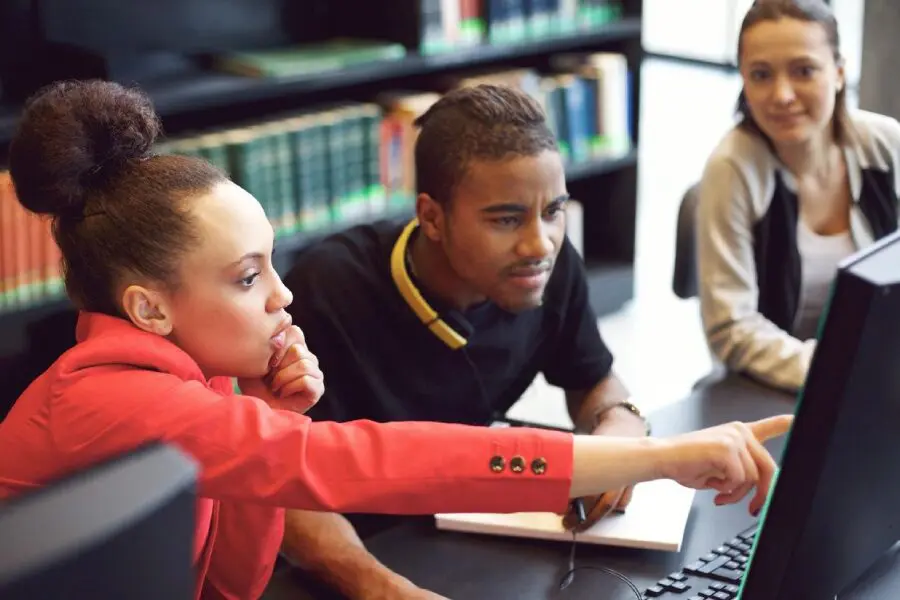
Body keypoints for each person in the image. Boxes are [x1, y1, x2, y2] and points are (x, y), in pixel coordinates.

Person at [0, 79, 790, 600]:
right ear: (148, 309)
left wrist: (272, 417)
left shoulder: (195, 385)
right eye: (247, 279)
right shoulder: (111, 398)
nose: (284, 293)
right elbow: (370, 460)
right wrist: (661, 459)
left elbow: (227, 588)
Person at [273, 83, 752, 599]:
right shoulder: (330, 288)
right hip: (362, 548)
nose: (539, 243)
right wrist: (381, 589)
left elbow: (591, 377)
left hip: (468, 529)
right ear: (431, 217)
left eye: (554, 211)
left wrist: (620, 427)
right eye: (506, 219)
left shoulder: (548, 266)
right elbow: (283, 487)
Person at [696, 0, 900, 392]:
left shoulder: (884, 145)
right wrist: (833, 370)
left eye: (803, 71)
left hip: (878, 373)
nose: (782, 94)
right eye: (761, 74)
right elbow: (731, 328)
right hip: (774, 388)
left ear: (839, 73)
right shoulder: (732, 169)